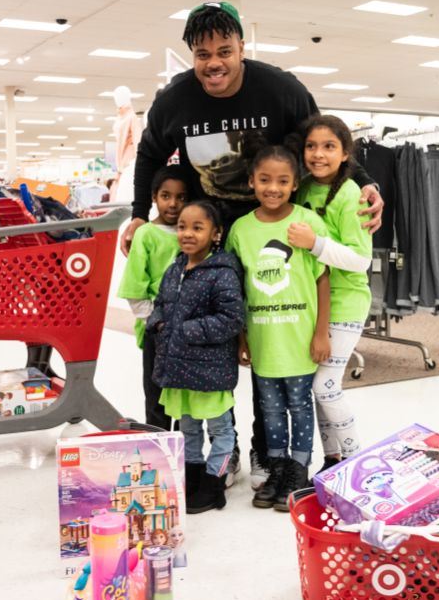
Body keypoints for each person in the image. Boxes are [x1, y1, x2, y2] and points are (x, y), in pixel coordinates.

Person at [120, 1, 385, 491]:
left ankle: (274, 453)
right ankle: (201, 448)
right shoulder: (174, 100)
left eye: (225, 50)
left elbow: (324, 139)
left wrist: (365, 182)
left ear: (243, 47)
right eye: (202, 54)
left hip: (278, 226)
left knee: (272, 341)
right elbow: (150, 152)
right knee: (195, 338)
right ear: (191, 56)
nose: (214, 63)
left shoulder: (278, 88)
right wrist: (139, 213)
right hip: (214, 237)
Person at [227, 137, 330, 511]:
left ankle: (298, 471)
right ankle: (277, 468)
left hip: (299, 337)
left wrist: (321, 332)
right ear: (252, 181)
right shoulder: (240, 230)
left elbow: (322, 278)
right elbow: (236, 288)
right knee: (269, 410)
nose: (274, 188)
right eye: (266, 180)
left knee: (300, 406)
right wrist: (242, 337)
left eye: (283, 181)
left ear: (295, 183)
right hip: (263, 338)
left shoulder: (307, 222)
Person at [286, 115, 371, 472]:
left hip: (346, 302)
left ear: (345, 152)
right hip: (313, 303)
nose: (318, 154)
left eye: (329, 146)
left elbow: (360, 259)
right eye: (311, 146)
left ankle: (356, 460)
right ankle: (332, 460)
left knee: (325, 387)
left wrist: (316, 243)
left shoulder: (351, 194)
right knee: (316, 390)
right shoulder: (303, 189)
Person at [147, 200, 243, 514]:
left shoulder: (222, 273)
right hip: (178, 368)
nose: (187, 233)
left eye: (197, 227)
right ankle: (192, 475)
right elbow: (160, 303)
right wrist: (159, 324)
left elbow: (231, 319)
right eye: (183, 227)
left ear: (216, 234)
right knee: (186, 427)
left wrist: (187, 330)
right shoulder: (175, 268)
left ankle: (215, 483)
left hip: (210, 372)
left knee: (220, 428)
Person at [117, 167, 188, 432]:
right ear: (154, 197)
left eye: (181, 197)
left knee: (186, 398)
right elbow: (135, 288)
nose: (173, 203)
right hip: (156, 331)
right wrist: (157, 322)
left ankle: (186, 454)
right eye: (166, 195)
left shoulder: (193, 233)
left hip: (188, 330)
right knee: (157, 395)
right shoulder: (146, 234)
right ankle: (159, 451)